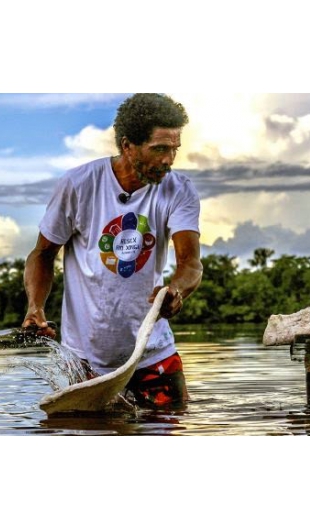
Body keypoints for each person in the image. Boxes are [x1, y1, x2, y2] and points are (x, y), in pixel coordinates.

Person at [23, 93, 203, 408]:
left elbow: (191, 264)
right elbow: (43, 254)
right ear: (127, 145)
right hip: (84, 359)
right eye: (159, 149)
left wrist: (176, 290)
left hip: (152, 350)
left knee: (173, 425)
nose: (168, 160)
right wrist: (35, 308)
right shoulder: (79, 184)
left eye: (174, 149)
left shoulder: (179, 189)